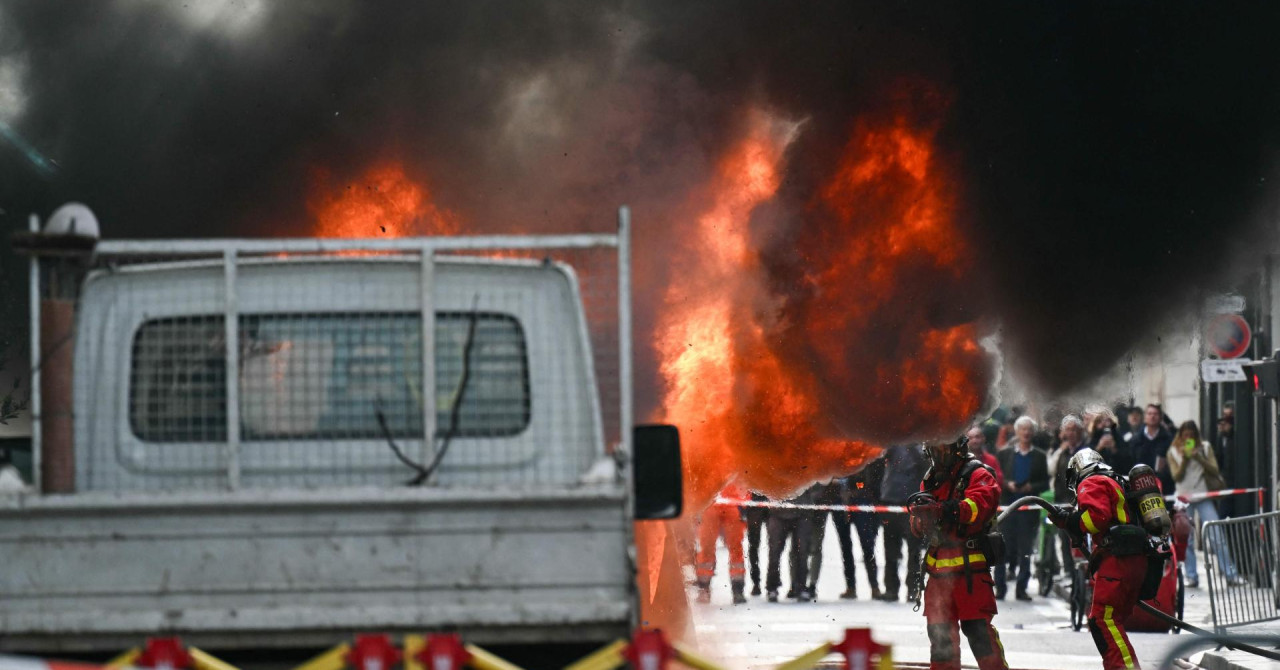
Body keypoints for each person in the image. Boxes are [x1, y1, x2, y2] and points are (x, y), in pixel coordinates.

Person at [910, 437, 1008, 670]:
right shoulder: (931, 477)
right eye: (933, 449)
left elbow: (978, 508)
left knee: (980, 636)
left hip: (970, 573)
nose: (938, 453)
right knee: (941, 644)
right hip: (938, 578)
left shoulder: (979, 474)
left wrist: (943, 510)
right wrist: (919, 520)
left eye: (942, 447)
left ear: (958, 448)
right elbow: (924, 520)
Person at [1049, 449, 1146, 670]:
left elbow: (1096, 519)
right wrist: (1068, 521)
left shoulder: (1090, 481)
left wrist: (1072, 522)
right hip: (1134, 558)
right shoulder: (1116, 480)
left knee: (1103, 620)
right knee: (1111, 621)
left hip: (1117, 560)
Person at [1167, 420, 1243, 588]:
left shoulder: (1205, 447)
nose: (1188, 439)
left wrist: (1198, 457)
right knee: (1186, 538)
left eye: (1191, 436)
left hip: (1203, 495)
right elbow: (1176, 476)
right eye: (1185, 436)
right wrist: (1186, 459)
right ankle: (1191, 575)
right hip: (1184, 498)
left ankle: (1231, 573)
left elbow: (1214, 470)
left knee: (1217, 535)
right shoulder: (1173, 451)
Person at [994, 416, 1049, 600]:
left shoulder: (1040, 456)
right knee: (1002, 550)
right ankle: (999, 588)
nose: (1026, 433)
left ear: (1033, 433)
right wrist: (1007, 484)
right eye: (1023, 429)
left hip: (1028, 512)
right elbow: (996, 479)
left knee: (1025, 552)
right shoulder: (1004, 454)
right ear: (1017, 432)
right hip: (1007, 510)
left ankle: (1021, 588)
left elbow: (1045, 483)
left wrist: (1031, 488)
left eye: (1029, 429)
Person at [825, 458, 885, 599]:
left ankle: (874, 586)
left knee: (867, 544)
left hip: (859, 500)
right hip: (840, 502)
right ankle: (851, 587)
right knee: (846, 546)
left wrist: (858, 487)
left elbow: (867, 478)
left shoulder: (860, 451)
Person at [879, 444, 928, 602]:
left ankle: (913, 588)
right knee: (891, 549)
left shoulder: (920, 446)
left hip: (913, 503)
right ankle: (891, 588)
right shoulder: (893, 444)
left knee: (914, 550)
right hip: (892, 500)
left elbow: (924, 463)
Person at [696, 481, 748, 604]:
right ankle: (704, 588)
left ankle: (738, 590)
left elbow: (745, 478)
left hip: (733, 505)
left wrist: (743, 503)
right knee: (706, 547)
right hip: (709, 505)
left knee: (736, 548)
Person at [766, 485, 819, 602]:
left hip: (802, 512)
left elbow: (817, 483)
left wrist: (811, 499)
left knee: (802, 552)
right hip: (778, 513)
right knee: (774, 552)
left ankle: (801, 587)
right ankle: (772, 587)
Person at [1129, 404, 1174, 494]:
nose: (1152, 416)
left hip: (1163, 487)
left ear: (1160, 417)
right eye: (1149, 414)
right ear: (1145, 417)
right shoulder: (1136, 439)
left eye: (1155, 414)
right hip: (1140, 486)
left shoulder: (1168, 439)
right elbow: (1130, 461)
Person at [741, 491, 770, 596]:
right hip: (754, 505)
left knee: (774, 547)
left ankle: (771, 584)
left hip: (771, 505)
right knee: (753, 547)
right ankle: (756, 582)